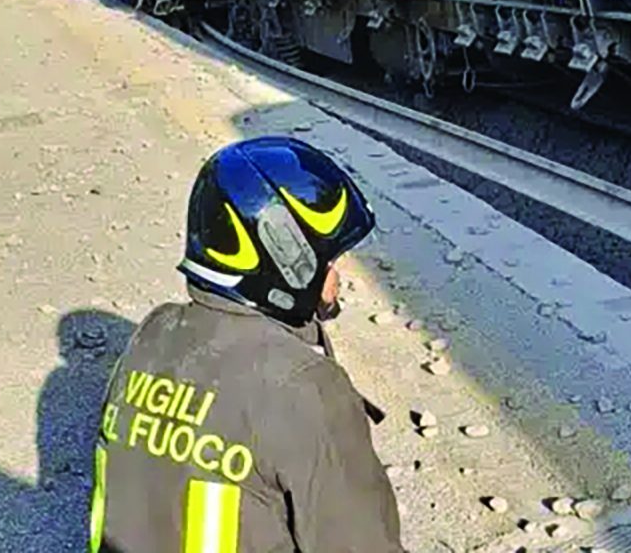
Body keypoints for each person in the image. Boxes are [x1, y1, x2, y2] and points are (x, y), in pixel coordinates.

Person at [88, 136, 404, 552]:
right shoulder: (304, 387)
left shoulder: (153, 333)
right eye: (328, 259)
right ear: (286, 257)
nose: (339, 276)